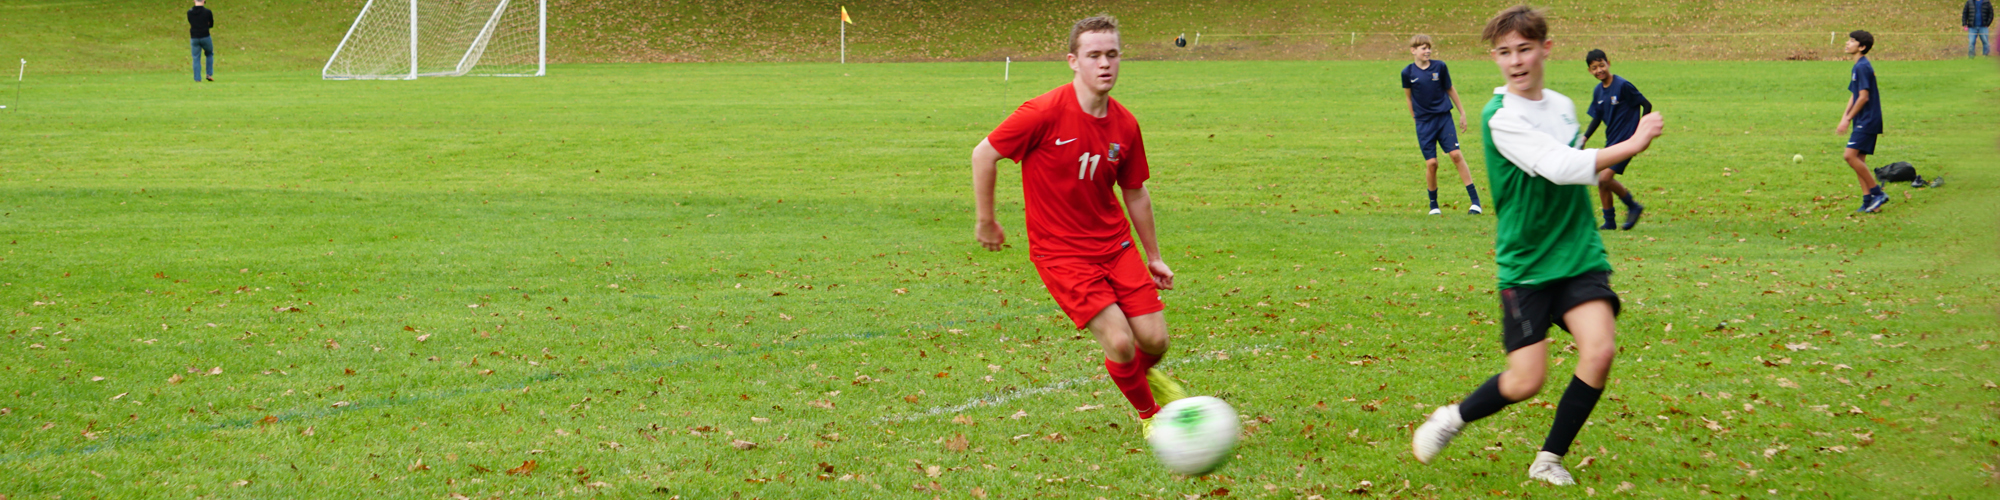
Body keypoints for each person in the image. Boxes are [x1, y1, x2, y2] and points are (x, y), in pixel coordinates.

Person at [1410, 6, 1664, 486]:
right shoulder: (1498, 116)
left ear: (1545, 49)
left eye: (1525, 49)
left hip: (1577, 251)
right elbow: (1560, 166)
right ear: (1495, 58)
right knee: (1526, 380)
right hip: (1526, 261)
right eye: (1505, 52)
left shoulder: (1564, 106)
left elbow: (1576, 163)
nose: (1516, 60)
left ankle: (1548, 459)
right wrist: (1632, 143)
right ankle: (1452, 418)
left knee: (1600, 349)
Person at [969, 15, 1186, 436]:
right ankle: (1149, 417)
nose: (1104, 64)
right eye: (1093, 55)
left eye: (1112, 54)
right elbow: (983, 154)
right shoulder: (1043, 113)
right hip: (1061, 252)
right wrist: (987, 220)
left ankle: (1143, 377)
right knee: (1120, 342)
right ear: (1073, 61)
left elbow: (1135, 192)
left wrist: (1154, 257)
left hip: (1116, 246)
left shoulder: (1125, 124)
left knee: (1155, 341)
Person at [1402, 34, 1484, 215]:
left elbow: (1450, 89)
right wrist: (1416, 119)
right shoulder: (1407, 73)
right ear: (1413, 51)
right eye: (1423, 48)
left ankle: (1475, 202)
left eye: (1429, 47)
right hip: (1424, 123)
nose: (1428, 51)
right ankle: (1434, 206)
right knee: (1432, 163)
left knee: (1455, 155)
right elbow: (1408, 97)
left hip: (1443, 118)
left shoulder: (1440, 67)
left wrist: (1462, 113)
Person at [1580, 49, 1652, 230]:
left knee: (1604, 178)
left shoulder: (1622, 86)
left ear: (1608, 63)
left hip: (1627, 141)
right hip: (1611, 141)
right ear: (1590, 71)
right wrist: (1585, 137)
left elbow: (1646, 104)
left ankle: (1633, 206)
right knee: (1600, 179)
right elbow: (1596, 117)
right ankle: (1610, 222)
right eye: (1594, 68)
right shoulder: (1598, 91)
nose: (1599, 70)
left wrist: (1640, 132)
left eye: (1601, 65)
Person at [1838, 31, 1888, 213]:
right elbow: (1854, 94)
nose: (1847, 43)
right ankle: (1868, 201)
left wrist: (1849, 118)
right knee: (1859, 159)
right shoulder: (1858, 66)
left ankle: (1877, 193)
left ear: (1862, 47)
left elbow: (1863, 97)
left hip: (1867, 120)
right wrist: (1845, 117)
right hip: (1863, 119)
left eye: (1852, 41)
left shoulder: (1862, 67)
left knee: (1849, 156)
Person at [188, 0, 216, 82]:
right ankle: (209, 74)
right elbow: (211, 24)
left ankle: (197, 78)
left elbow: (190, 22)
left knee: (196, 57)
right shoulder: (207, 12)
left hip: (194, 37)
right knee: (209, 54)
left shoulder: (189, 12)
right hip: (205, 36)